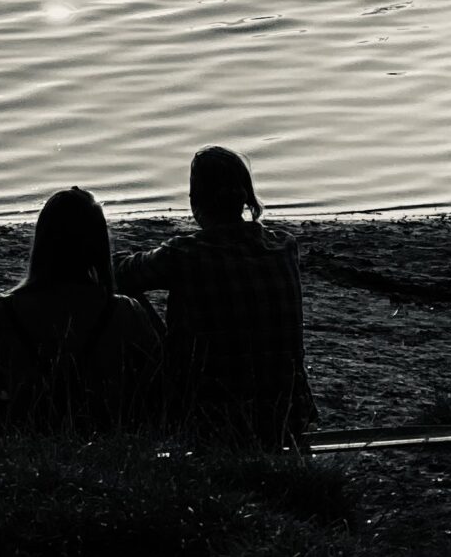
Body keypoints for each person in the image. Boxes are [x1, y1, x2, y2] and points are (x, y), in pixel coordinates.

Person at [116, 146, 315, 449]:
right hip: (288, 414)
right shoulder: (284, 246)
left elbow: (122, 274)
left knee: (128, 301)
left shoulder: (186, 253)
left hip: (209, 417)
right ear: (245, 197)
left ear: (195, 200)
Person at [0, 186, 163, 431]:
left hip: (19, 425)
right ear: (99, 245)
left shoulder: (3, 308)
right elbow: (156, 358)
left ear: (42, 243)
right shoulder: (124, 310)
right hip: (100, 427)